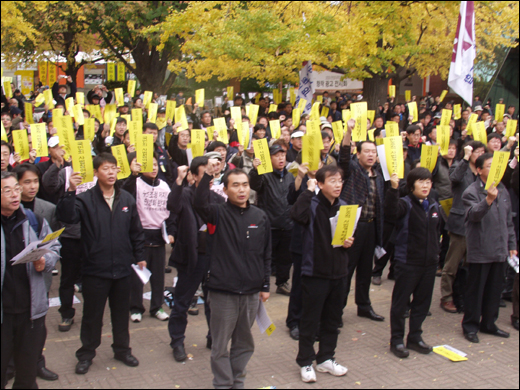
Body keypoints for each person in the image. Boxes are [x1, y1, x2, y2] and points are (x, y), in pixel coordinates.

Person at [56, 153, 146, 375]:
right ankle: (86, 354)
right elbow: (67, 217)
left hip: (123, 268)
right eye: (105, 169)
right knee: (92, 316)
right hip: (95, 269)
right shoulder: (85, 199)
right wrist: (70, 190)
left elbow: (136, 231)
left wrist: (139, 255)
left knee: (120, 314)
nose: (111, 172)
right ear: (96, 172)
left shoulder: (126, 199)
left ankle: (122, 350)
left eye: (114, 168)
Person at [194, 167, 271, 389]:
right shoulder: (217, 213)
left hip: (250, 293)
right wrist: (207, 175)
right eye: (235, 185)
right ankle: (223, 383)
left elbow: (266, 254)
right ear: (225, 189)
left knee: (244, 344)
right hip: (222, 291)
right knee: (220, 346)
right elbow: (198, 204)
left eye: (245, 184)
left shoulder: (260, 216)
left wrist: (265, 285)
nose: (241, 189)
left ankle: (238, 382)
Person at [291, 144, 353, 382]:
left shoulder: (345, 207)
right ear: (320, 183)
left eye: (340, 180)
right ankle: (305, 361)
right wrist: (308, 191)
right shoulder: (312, 205)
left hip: (339, 272)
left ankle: (326, 358)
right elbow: (296, 216)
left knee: (332, 319)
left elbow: (347, 239)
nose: (338, 184)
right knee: (310, 319)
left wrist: (349, 242)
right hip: (314, 272)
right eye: (333, 181)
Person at [1, 171, 60, 389]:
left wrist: (46, 260)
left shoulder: (34, 221)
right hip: (3, 315)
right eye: (7, 190)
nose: (15, 195)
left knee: (26, 377)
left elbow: (53, 248)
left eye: (16, 188)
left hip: (30, 313)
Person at [168, 157, 225, 362]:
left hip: (212, 259)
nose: (209, 178)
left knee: (213, 303)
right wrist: (178, 181)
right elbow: (172, 206)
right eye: (204, 173)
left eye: (212, 174)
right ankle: (177, 342)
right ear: (193, 176)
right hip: (191, 258)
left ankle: (214, 338)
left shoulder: (217, 199)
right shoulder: (184, 194)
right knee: (182, 302)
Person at [461, 153, 517, 343]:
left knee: (495, 290)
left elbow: (508, 222)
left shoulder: (503, 189)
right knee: (476, 292)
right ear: (479, 170)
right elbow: (473, 215)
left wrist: (511, 245)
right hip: (480, 250)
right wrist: (488, 200)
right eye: (489, 166)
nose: (495, 170)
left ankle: (489, 323)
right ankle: (470, 326)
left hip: (500, 250)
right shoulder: (471, 191)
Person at [385, 169, 441, 358]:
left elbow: (439, 230)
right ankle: (397, 340)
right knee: (401, 304)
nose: (425, 186)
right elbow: (390, 213)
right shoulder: (404, 204)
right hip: (407, 262)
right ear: (411, 185)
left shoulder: (433, 205)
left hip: (429, 263)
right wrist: (393, 188)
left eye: (428, 182)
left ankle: (415, 337)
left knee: (422, 303)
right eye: (420, 182)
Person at [339, 120, 386, 322]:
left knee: (366, 270)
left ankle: (364, 306)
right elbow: (342, 157)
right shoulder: (352, 170)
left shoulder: (379, 175)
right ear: (358, 154)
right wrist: (348, 132)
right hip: (353, 228)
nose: (370, 155)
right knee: (346, 271)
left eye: (373, 152)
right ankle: (337, 310)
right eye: (366, 151)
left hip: (372, 226)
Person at [122, 154, 175, 323]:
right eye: (148, 164)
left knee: (158, 277)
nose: (153, 168)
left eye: (155, 164)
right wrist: (132, 174)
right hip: (140, 236)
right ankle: (136, 308)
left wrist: (171, 232)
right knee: (138, 276)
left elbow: (172, 211)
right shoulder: (135, 183)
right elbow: (125, 194)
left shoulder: (165, 186)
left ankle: (157, 307)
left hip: (159, 236)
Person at [440, 141, 486, 313]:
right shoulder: (462, 167)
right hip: (460, 223)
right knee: (452, 264)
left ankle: (464, 296)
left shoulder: (483, 173)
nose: (480, 155)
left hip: (478, 225)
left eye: (483, 152)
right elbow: (454, 179)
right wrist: (465, 158)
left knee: (469, 265)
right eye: (477, 152)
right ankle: (446, 297)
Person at [250, 144, 295, 295]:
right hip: (269, 224)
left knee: (285, 258)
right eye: (277, 155)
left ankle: (282, 283)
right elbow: (255, 185)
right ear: (269, 158)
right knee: (264, 256)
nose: (281, 158)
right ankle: (261, 284)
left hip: (287, 224)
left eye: (283, 155)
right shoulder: (265, 175)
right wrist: (255, 171)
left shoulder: (290, 176)